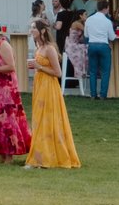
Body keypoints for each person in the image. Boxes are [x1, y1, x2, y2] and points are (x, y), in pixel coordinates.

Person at [25, 18, 80, 170]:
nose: (31, 31)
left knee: (48, 119)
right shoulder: (38, 48)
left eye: (34, 28)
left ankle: (50, 157)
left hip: (49, 87)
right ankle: (39, 157)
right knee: (38, 119)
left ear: (42, 31)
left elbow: (58, 72)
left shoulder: (49, 48)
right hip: (39, 85)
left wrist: (39, 67)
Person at [0, 23, 30, 162]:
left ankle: (10, 154)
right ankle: (1, 154)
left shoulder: (3, 45)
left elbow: (11, 66)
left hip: (6, 89)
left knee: (8, 120)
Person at [81, 1, 115, 100]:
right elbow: (112, 37)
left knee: (92, 71)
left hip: (92, 45)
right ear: (106, 8)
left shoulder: (89, 20)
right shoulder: (107, 21)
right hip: (104, 45)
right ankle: (103, 95)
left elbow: (86, 35)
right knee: (105, 71)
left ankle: (93, 94)